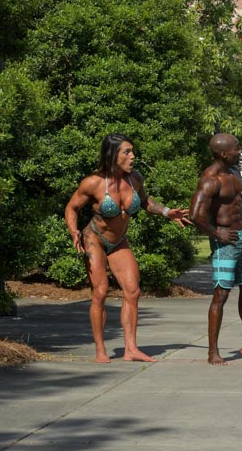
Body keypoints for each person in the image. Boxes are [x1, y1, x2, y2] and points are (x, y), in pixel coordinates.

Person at [65, 133, 191, 363]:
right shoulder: (93, 182)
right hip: (95, 239)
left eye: (132, 151)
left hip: (119, 241)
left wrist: (167, 212)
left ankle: (131, 349)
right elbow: (72, 207)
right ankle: (100, 350)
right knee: (100, 292)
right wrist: (73, 230)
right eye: (127, 152)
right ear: (113, 155)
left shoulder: (135, 178)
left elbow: (145, 202)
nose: (133, 156)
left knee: (133, 291)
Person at [190, 133, 242, 365]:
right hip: (224, 242)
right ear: (224, 154)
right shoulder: (210, 180)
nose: (240, 152)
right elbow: (195, 215)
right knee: (221, 294)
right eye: (237, 149)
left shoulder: (233, 173)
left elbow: (239, 202)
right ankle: (213, 352)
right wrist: (217, 234)